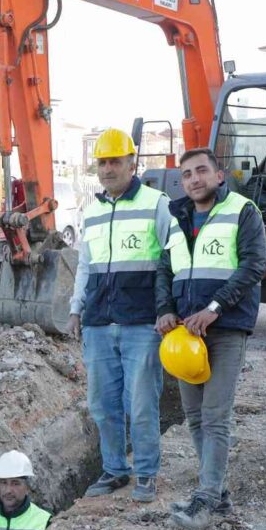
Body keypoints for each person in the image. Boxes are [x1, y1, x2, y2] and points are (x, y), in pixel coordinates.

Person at [154, 147, 266, 530]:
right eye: (186, 174)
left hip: (226, 328)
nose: (194, 179)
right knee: (195, 417)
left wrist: (215, 307)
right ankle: (217, 493)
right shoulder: (177, 218)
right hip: (186, 334)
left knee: (215, 416)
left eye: (201, 171)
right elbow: (164, 269)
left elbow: (254, 265)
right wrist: (164, 309)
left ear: (219, 175)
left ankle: (204, 501)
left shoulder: (242, 210)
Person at [67, 128, 171, 503]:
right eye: (103, 163)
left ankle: (145, 473)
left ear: (132, 164)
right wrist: (76, 308)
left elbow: (171, 259)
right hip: (98, 322)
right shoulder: (92, 212)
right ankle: (114, 469)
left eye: (115, 161)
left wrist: (167, 309)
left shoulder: (157, 204)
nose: (108, 169)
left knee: (140, 405)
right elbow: (85, 265)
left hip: (142, 323)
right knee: (102, 405)